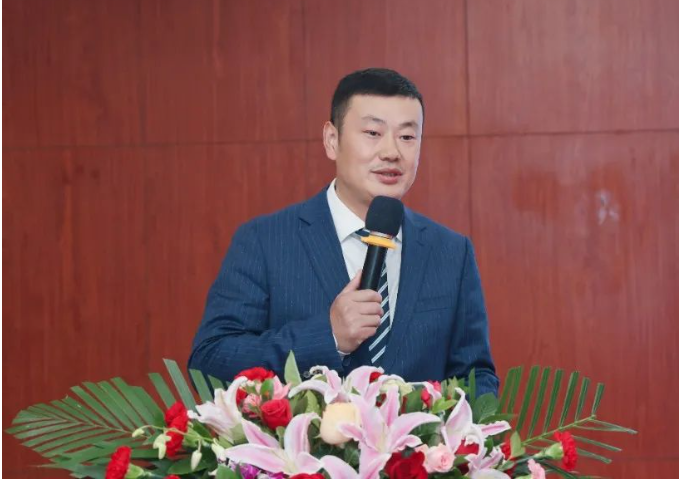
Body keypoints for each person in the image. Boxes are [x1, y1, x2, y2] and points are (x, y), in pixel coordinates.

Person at [189, 68, 498, 396]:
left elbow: (475, 376)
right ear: (332, 140)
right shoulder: (265, 242)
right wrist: (329, 336)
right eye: (373, 133)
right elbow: (209, 363)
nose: (392, 152)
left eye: (407, 137)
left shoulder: (451, 252)